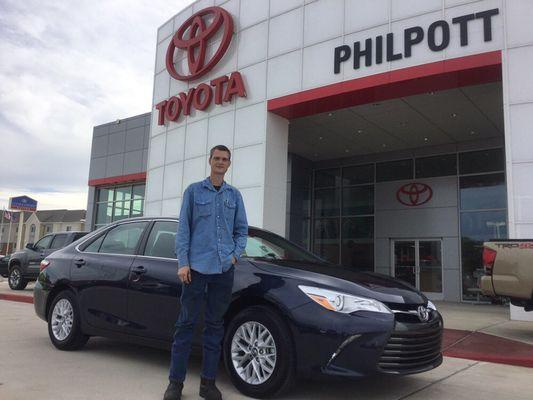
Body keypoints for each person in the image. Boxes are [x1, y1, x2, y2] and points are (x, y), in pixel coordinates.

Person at [163, 145, 248, 400]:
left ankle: (207, 384)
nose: (220, 162)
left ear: (229, 164)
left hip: (223, 269)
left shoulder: (235, 196)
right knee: (185, 326)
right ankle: (175, 384)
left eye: (225, 160)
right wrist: (183, 263)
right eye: (217, 158)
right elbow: (184, 230)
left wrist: (235, 255)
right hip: (195, 270)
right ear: (209, 161)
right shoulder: (193, 192)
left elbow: (242, 230)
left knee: (214, 327)